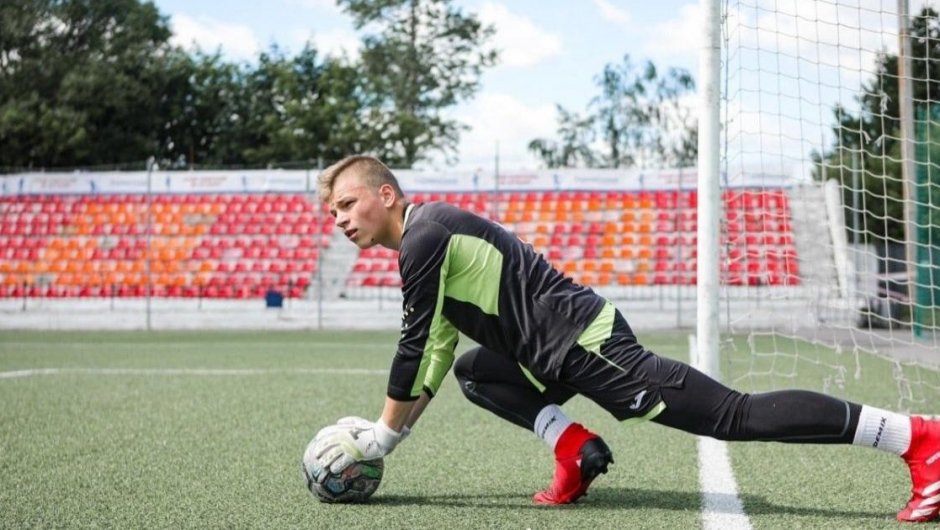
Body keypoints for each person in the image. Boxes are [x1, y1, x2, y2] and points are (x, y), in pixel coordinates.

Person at [311, 154, 940, 522]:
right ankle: (574, 450)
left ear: (385, 194)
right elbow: (438, 352)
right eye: (333, 213)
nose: (340, 221)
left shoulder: (424, 236)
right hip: (554, 352)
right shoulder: (426, 241)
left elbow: (412, 344)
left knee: (732, 415)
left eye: (346, 204)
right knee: (478, 370)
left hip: (590, 348)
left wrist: (384, 435)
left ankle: (917, 438)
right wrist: (395, 429)